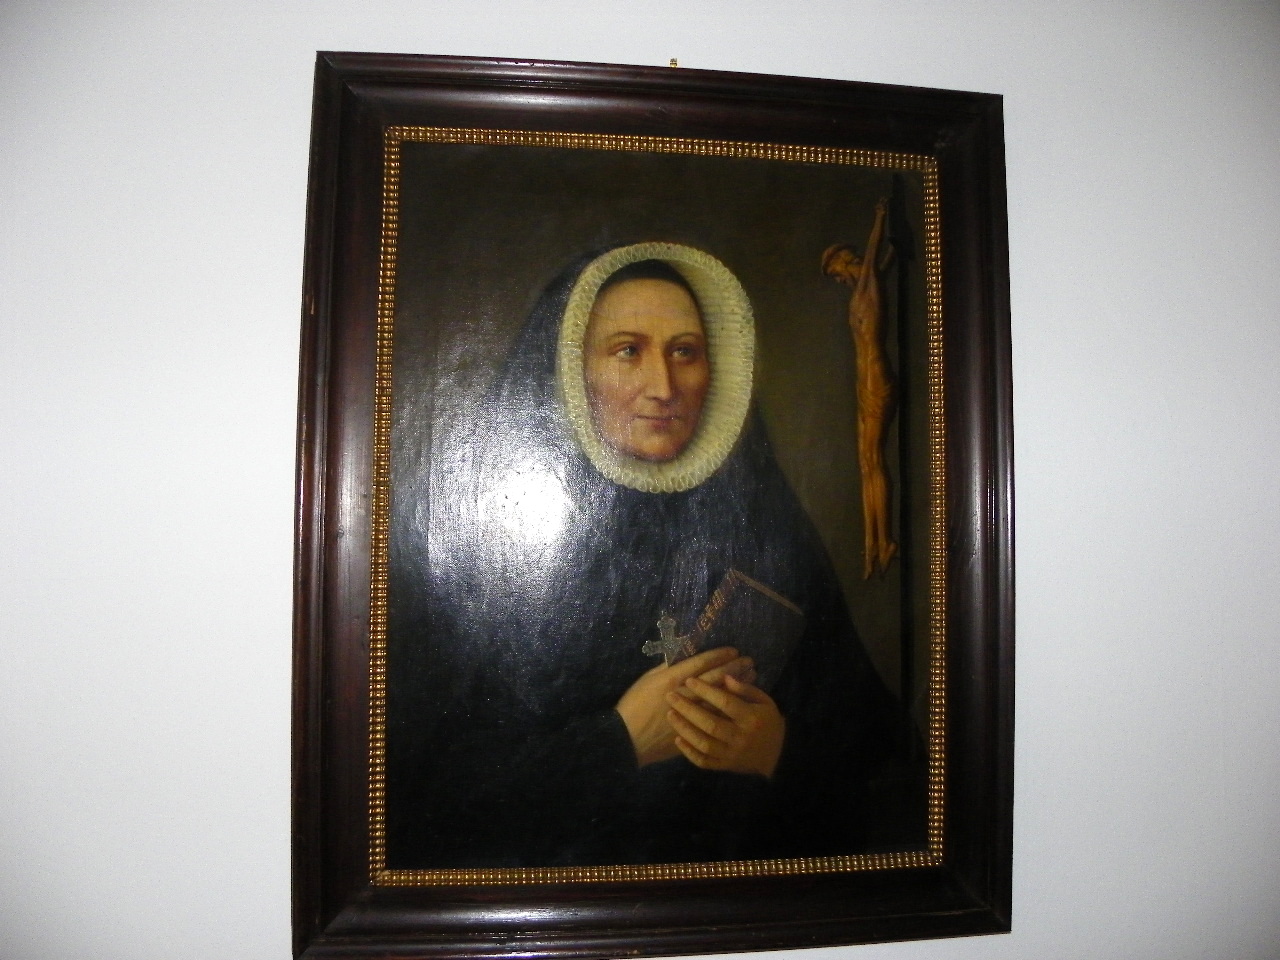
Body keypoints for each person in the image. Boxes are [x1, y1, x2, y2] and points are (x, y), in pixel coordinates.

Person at [385, 243, 921, 869]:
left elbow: (888, 782)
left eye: (685, 352)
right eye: (628, 351)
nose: (664, 387)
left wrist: (777, 752)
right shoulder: (481, 544)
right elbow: (417, 801)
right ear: (568, 369)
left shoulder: (771, 529)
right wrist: (618, 745)